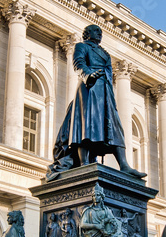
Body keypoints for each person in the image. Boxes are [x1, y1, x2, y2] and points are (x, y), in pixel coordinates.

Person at [47, 24, 146, 181]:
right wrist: (88, 75)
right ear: (87, 33)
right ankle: (84, 163)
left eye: (101, 32)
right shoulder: (82, 46)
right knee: (86, 125)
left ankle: (124, 165)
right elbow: (78, 63)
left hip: (105, 91)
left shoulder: (105, 53)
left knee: (114, 126)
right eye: (96, 31)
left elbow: (108, 71)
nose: (100, 33)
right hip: (89, 88)